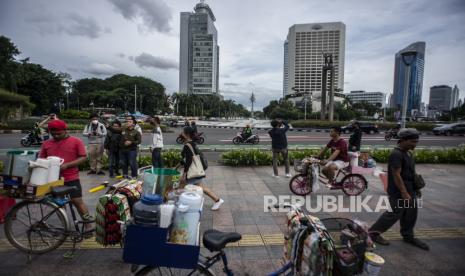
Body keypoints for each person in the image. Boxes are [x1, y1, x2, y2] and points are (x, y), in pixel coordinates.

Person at [368, 128, 429, 251]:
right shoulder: (396, 154)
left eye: (416, 141)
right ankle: (373, 234)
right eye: (412, 141)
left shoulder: (408, 153)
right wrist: (404, 192)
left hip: (410, 189)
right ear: (403, 140)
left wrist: (416, 188)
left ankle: (408, 236)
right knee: (394, 213)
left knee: (410, 213)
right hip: (398, 191)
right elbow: (396, 174)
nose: (415, 144)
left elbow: (411, 173)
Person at [38, 120, 93, 229]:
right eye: (53, 134)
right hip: (53, 179)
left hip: (71, 177)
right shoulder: (46, 144)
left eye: (59, 133)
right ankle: (65, 224)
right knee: (58, 204)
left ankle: (88, 225)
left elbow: (83, 157)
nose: (56, 136)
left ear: (65, 130)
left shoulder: (76, 141)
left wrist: (67, 165)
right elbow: (41, 159)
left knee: (77, 201)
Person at [180, 126, 224, 210]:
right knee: (201, 187)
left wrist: (184, 174)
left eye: (183, 132)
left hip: (192, 172)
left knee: (181, 187)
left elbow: (188, 161)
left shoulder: (187, 145)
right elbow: (187, 159)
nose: (181, 133)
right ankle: (217, 200)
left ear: (187, 134)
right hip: (196, 172)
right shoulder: (193, 143)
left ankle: (179, 204)